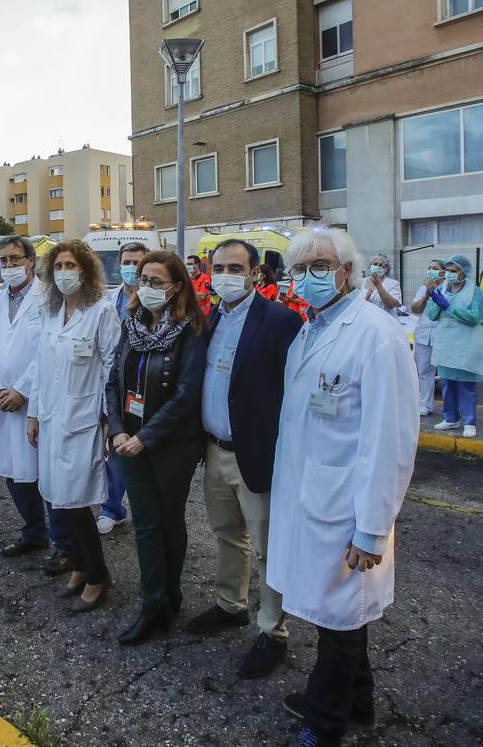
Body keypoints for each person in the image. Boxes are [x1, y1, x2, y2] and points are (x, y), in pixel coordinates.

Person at [265, 228, 418, 747]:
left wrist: (373, 528)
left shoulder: (376, 334)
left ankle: (324, 724)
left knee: (340, 619)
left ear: (346, 270)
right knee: (342, 614)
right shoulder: (310, 330)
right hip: (313, 493)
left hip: (348, 507)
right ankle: (358, 703)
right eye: (299, 269)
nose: (308, 277)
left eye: (320, 265)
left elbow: (390, 439)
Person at [187, 240, 302, 674]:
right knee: (227, 534)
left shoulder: (280, 321)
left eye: (235, 268)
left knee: (268, 547)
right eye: (218, 267)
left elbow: (293, 392)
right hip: (215, 451)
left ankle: (272, 630)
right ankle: (229, 603)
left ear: (255, 273)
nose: (225, 275)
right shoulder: (209, 317)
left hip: (256, 454)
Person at [104, 250, 206, 646]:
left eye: (155, 281)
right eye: (143, 279)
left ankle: (171, 593)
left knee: (170, 521)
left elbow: (186, 395)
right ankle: (152, 604)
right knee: (145, 523)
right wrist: (116, 431)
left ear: (177, 286)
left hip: (170, 444)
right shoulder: (130, 325)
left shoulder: (193, 330)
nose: (145, 287)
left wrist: (145, 438)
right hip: (128, 441)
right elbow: (113, 381)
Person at [28, 240, 120, 613]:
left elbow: (113, 368)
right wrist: (34, 413)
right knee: (58, 499)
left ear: (85, 270)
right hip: (51, 418)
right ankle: (81, 567)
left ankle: (98, 576)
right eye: (58, 266)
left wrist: (106, 421)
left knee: (77, 503)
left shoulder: (101, 311)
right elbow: (40, 368)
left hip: (83, 421)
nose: (64, 272)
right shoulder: (51, 312)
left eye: (71, 265)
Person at [0, 236, 73, 567]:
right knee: (14, 472)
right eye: (3, 260)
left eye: (16, 259)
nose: (9, 266)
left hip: (37, 402)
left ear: (32, 261)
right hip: (1, 401)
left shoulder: (51, 300)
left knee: (47, 474)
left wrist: (22, 390)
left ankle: (63, 542)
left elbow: (51, 349)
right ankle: (33, 533)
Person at [99, 242, 150, 540]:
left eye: (138, 263)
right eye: (127, 262)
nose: (132, 268)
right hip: (114, 384)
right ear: (119, 265)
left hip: (144, 385)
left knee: (140, 447)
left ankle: (141, 507)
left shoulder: (155, 299)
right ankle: (112, 508)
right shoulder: (108, 300)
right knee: (114, 448)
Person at [426, 254, 483, 439]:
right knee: (447, 382)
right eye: (448, 270)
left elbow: (474, 317)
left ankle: (469, 422)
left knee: (466, 384)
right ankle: (450, 418)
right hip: (446, 343)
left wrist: (448, 307)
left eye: (454, 270)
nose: (450, 274)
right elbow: (431, 315)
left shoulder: (474, 292)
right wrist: (435, 296)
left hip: (466, 344)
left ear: (464, 272)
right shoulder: (442, 288)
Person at [408, 259, 446, 416]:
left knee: (446, 374)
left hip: (442, 335)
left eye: (435, 268)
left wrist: (436, 291)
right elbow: (415, 308)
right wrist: (425, 295)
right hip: (424, 335)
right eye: (429, 267)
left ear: (443, 272)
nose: (431, 270)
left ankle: (450, 410)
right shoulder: (423, 288)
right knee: (424, 372)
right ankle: (425, 405)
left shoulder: (449, 288)